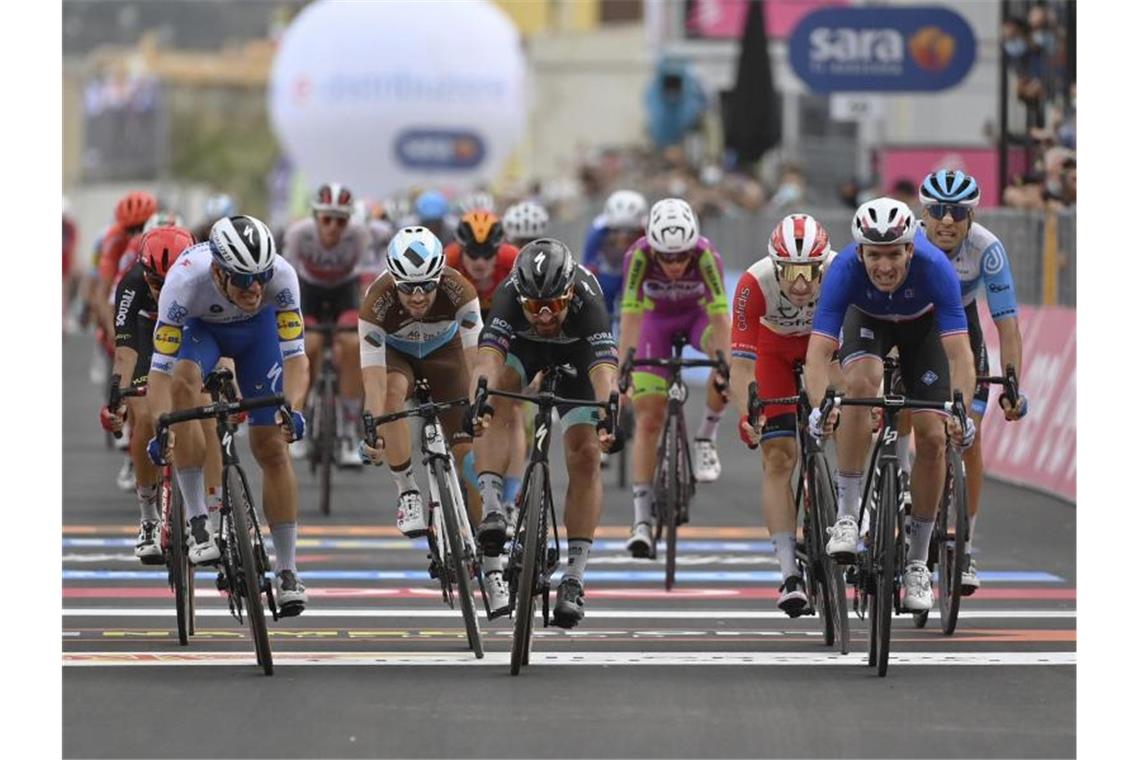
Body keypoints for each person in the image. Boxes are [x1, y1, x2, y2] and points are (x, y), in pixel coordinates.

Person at [803, 197, 976, 613]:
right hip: (867, 323)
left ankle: (917, 563)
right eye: (875, 255)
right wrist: (819, 407)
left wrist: (961, 412)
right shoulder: (843, 270)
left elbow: (960, 355)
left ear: (910, 249)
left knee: (934, 437)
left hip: (924, 330)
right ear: (860, 251)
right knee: (861, 383)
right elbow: (817, 352)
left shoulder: (935, 268)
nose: (884, 266)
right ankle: (847, 513)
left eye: (894, 254)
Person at [145, 215, 311, 614]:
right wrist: (161, 425)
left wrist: (294, 408)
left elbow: (297, 359)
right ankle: (199, 518)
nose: (254, 288)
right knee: (184, 387)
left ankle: (287, 570)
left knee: (271, 448)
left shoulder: (283, 279)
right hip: (203, 332)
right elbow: (159, 371)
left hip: (259, 337)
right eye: (241, 279)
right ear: (218, 272)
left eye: (260, 276)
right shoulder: (184, 281)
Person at [355, 227, 510, 617]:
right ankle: (407, 489)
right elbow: (372, 379)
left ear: (440, 275)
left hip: (447, 357)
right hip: (397, 358)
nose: (419, 296)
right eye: (408, 288)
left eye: (426, 286)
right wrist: (373, 422)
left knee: (469, 456)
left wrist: (479, 404)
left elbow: (477, 360)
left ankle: (493, 569)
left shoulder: (461, 290)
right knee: (390, 397)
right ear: (393, 279)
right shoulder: (376, 302)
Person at [467, 239, 620, 628]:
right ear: (521, 298)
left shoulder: (589, 300)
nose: (546, 316)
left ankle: (574, 578)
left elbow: (604, 373)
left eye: (554, 305)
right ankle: (492, 507)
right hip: (524, 350)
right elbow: (486, 360)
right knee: (497, 397)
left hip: (578, 356)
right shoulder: (506, 297)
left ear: (570, 292)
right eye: (534, 307)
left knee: (585, 454)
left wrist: (610, 415)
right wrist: (479, 400)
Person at [913, 170, 1029, 593]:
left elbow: (1008, 326)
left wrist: (1011, 385)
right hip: (909, 325)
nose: (947, 220)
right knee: (911, 422)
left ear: (971, 215)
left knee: (969, 437)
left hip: (961, 327)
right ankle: (898, 498)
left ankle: (963, 545)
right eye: (939, 211)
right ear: (924, 213)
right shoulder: (908, 240)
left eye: (957, 212)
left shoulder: (987, 249)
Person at [730, 214, 840, 615]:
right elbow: (741, 365)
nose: (800, 283)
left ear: (823, 265)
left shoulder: (840, 270)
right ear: (776, 267)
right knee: (779, 455)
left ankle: (848, 512)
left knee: (853, 417)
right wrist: (748, 415)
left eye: (810, 272)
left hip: (824, 347)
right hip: (772, 350)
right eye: (791, 272)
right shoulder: (753, 283)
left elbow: (863, 348)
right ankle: (790, 572)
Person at [618, 198, 730, 556]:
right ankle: (641, 522)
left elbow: (720, 317)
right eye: (666, 257)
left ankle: (705, 438)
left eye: (681, 256)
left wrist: (725, 364)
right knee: (649, 416)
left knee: (727, 360)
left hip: (697, 319)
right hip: (656, 324)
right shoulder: (637, 257)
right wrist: (626, 364)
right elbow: (631, 316)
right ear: (652, 247)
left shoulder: (707, 256)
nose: (675, 265)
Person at [101, 225, 212, 563]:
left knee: (205, 408)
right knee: (146, 415)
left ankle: (214, 508)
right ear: (143, 271)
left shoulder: (203, 277)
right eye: (155, 282)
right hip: (147, 338)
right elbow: (125, 353)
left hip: (190, 333)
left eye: (170, 280)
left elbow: (221, 333)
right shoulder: (131, 285)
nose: (164, 289)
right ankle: (149, 516)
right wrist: (116, 397)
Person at [282, 183, 373, 466]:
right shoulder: (299, 234)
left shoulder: (359, 235)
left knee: (352, 344)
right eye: (327, 219)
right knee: (310, 344)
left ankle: (347, 428)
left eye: (341, 220)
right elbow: (285, 276)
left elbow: (368, 278)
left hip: (344, 291)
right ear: (315, 217)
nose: (334, 227)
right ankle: (304, 414)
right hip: (308, 290)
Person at [444, 212, 528, 515]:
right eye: (473, 254)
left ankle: (511, 497)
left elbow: (526, 320)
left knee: (510, 407)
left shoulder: (514, 262)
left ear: (500, 250)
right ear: (460, 250)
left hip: (504, 330)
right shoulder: (447, 263)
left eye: (488, 254)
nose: (480, 262)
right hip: (460, 333)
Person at [581, 189, 648, 326]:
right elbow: (587, 266)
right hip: (609, 272)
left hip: (634, 272)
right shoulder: (597, 231)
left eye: (631, 232)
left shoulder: (648, 230)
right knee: (601, 304)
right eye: (616, 231)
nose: (623, 236)